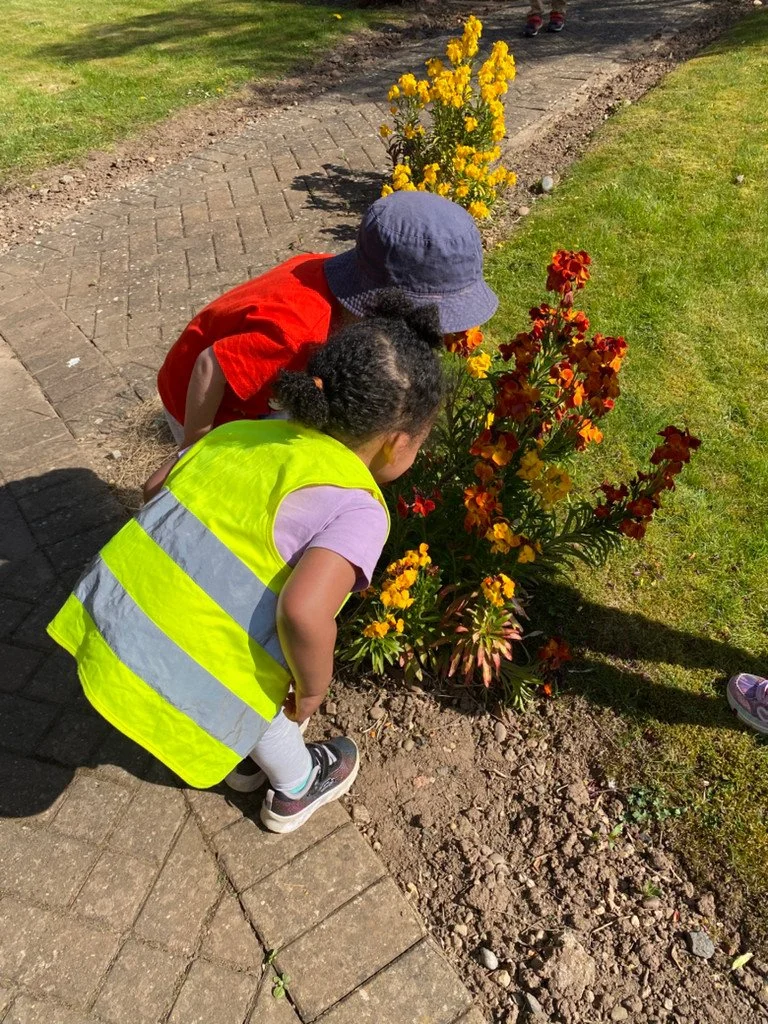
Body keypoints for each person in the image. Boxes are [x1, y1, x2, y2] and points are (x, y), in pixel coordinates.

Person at [48, 292, 445, 834]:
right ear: (397, 444)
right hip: (190, 670)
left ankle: (239, 754)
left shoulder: (242, 433)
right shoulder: (358, 505)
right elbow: (304, 613)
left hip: (106, 624)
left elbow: (154, 486)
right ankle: (297, 785)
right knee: (271, 677)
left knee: (242, 629)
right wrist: (312, 688)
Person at [155, 190, 497, 448]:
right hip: (202, 401)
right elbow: (208, 366)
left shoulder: (335, 276)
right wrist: (195, 449)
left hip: (260, 377)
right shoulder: (298, 332)